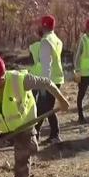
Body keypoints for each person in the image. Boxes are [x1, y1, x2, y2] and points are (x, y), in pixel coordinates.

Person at [29, 14, 64, 144]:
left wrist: (45, 85)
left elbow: (46, 65)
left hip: (49, 80)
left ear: (43, 26)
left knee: (42, 109)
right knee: (47, 108)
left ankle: (36, 135)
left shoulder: (45, 41)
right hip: (57, 78)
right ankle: (53, 134)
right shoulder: (56, 39)